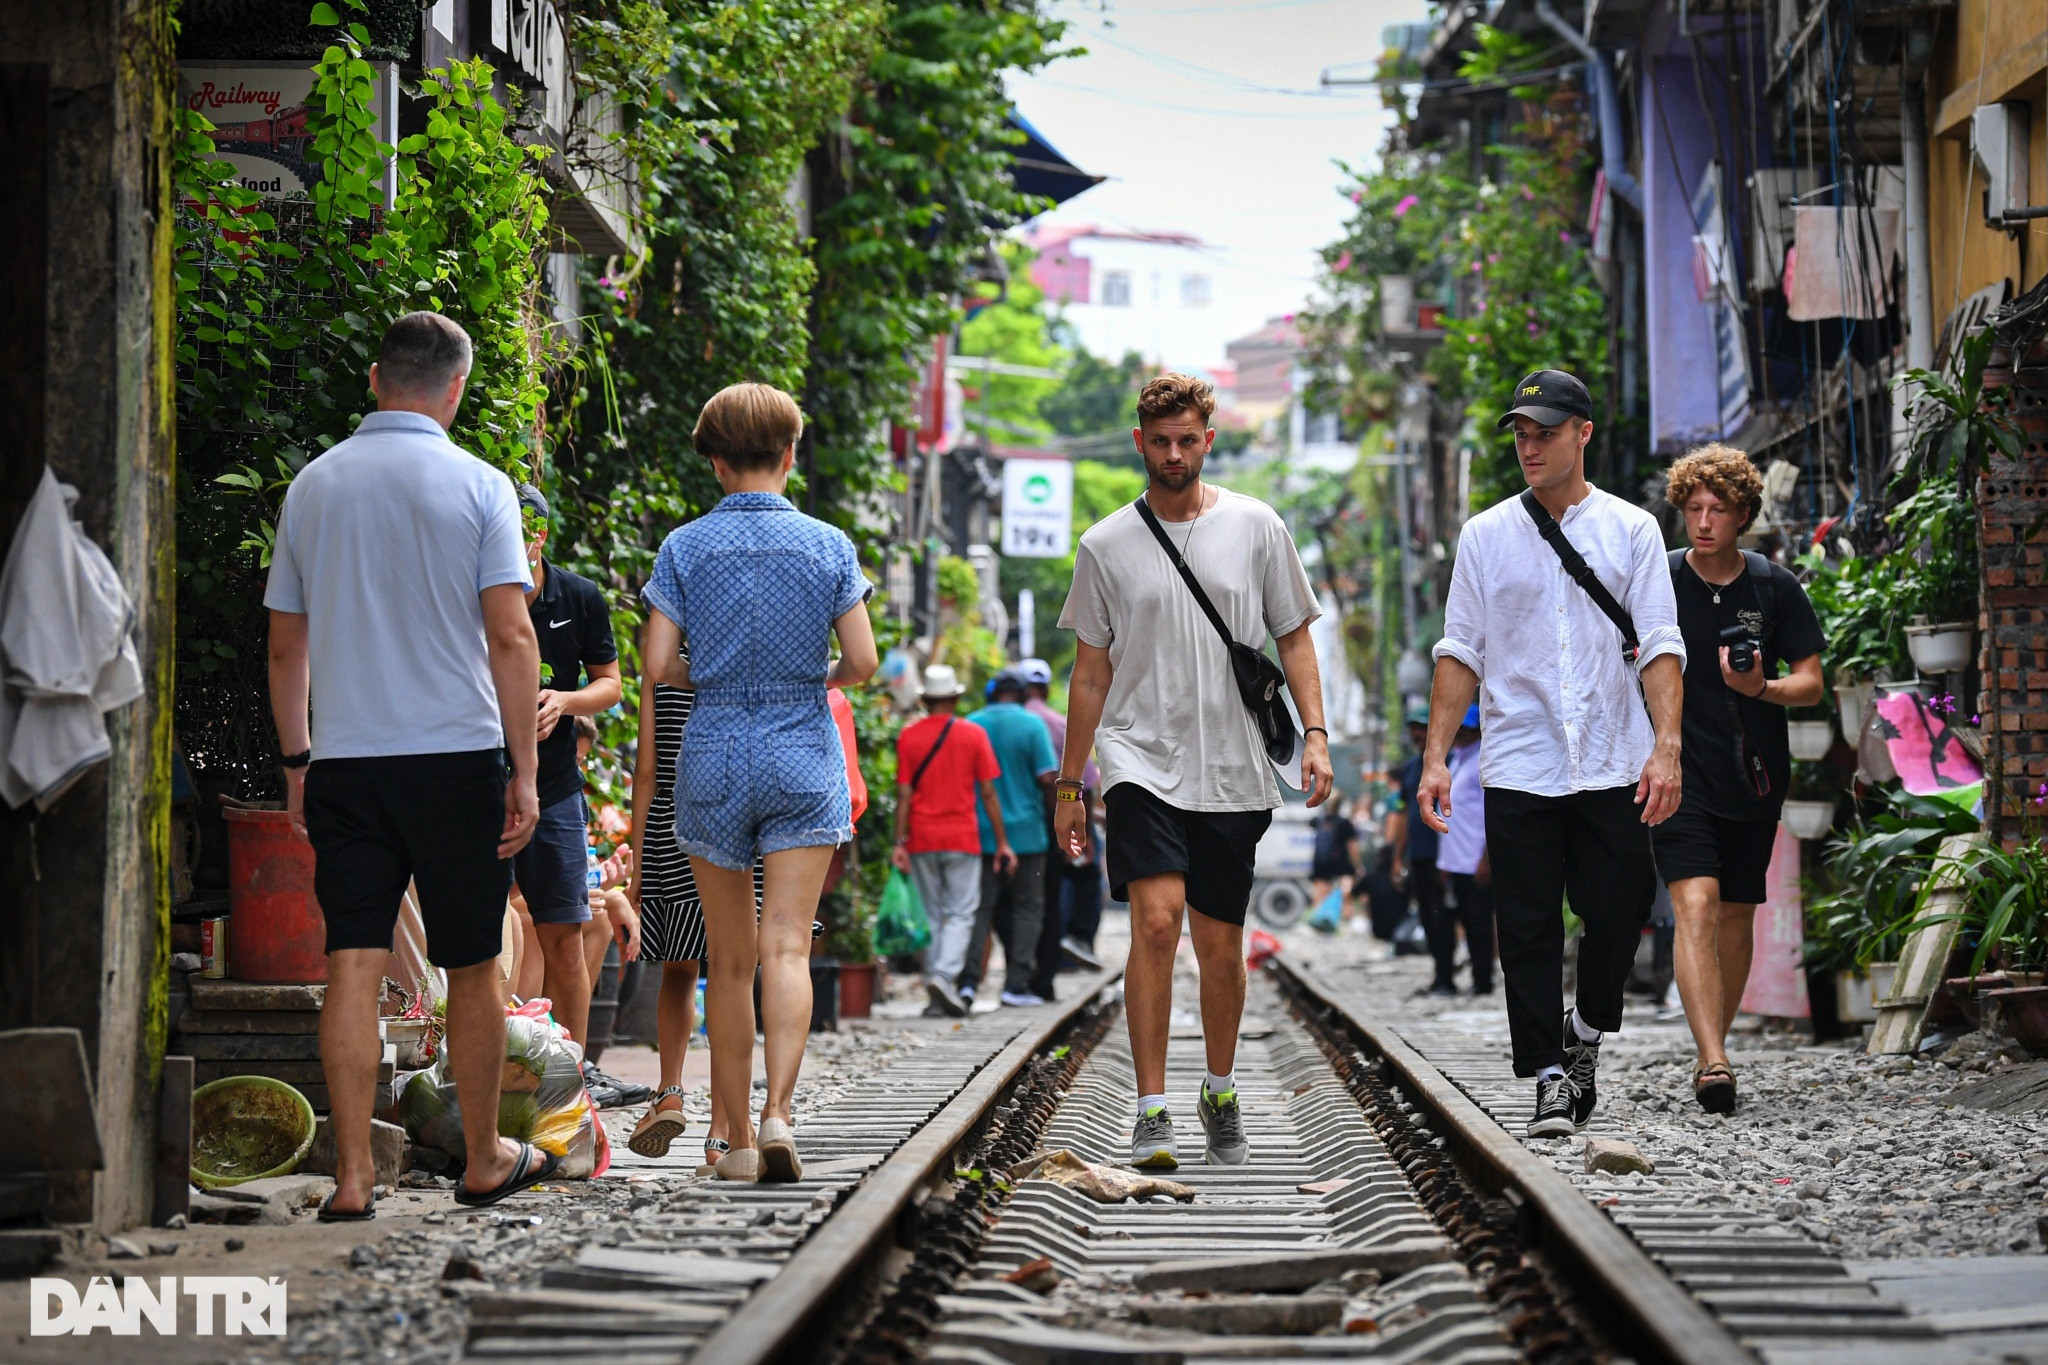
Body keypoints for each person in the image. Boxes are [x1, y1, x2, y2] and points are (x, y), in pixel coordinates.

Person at [266, 311, 559, 1216]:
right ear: (457, 389)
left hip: (349, 760)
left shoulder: (313, 487)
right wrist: (525, 769)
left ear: (373, 377)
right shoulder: (481, 486)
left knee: (351, 962)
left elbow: (284, 647)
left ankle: (353, 1178)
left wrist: (297, 762)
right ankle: (482, 1157)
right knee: (472, 961)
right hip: (457, 758)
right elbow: (511, 633)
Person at [1056, 372, 1332, 1170]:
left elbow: (1295, 637)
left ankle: (1218, 1084)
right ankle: (1150, 1108)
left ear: (1209, 440)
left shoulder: (1256, 526)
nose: (1174, 454)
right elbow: (1089, 674)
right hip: (1140, 758)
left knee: (1220, 943)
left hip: (1235, 764)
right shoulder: (1104, 545)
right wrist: (1073, 783)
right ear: (1138, 441)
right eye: (1160, 441)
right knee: (1155, 920)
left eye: (1188, 440)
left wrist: (1315, 734)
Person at [1414, 368, 1685, 1139]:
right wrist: (1437, 758)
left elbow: (1661, 642)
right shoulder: (1486, 536)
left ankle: (1589, 1028)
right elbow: (1459, 650)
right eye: (1521, 434)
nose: (1529, 446)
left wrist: (1666, 745)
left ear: (1583, 433)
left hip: (1612, 756)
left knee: (1618, 913)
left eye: (1545, 431)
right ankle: (1549, 1076)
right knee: (1527, 925)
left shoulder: (1632, 530)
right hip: (1519, 761)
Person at [640, 382, 879, 1183]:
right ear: (789, 454)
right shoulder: (828, 546)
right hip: (801, 749)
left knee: (727, 962)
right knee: (786, 948)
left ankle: (736, 1140)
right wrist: (816, 678)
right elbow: (865, 661)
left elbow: (654, 665)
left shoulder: (684, 547)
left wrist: (705, 676)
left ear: (713, 462)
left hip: (710, 750)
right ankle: (779, 1110)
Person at [1657, 444, 1823, 1113]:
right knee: (1693, 903)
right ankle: (1713, 1058)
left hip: (1755, 775)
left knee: (1734, 913)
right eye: (1692, 508)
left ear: (1743, 514)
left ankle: (1711, 1047)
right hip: (1676, 771)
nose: (1703, 521)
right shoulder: (1660, 580)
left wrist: (1762, 686)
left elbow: (1811, 683)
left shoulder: (1774, 586)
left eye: (1717, 509)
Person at [508, 483, 622, 1079]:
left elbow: (612, 683)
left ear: (539, 535)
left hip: (554, 789)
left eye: (521, 534)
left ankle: (572, 1077)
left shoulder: (577, 595)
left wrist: (566, 701)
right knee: (481, 937)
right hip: (478, 783)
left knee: (565, 935)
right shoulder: (472, 592)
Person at [892, 664, 1011, 1017]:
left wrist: (899, 841)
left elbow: (903, 793)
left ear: (926, 700)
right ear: (956, 699)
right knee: (961, 912)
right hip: (962, 838)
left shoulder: (909, 736)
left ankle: (934, 989)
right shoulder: (973, 735)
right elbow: (989, 793)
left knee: (930, 912)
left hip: (922, 839)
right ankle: (943, 976)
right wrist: (1002, 841)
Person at [959, 670, 1060, 1008]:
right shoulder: (1033, 725)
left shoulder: (971, 724)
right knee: (1028, 908)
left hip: (981, 833)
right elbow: (1047, 778)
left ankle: (968, 982)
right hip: (1028, 834)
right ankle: (1016, 984)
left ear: (990, 693)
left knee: (979, 909)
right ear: (1020, 695)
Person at [1018, 657, 1104, 978]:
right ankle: (1077, 940)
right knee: (1081, 876)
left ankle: (1030, 967)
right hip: (1062, 812)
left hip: (1020, 824)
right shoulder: (1059, 723)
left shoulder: (1005, 723)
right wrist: (1089, 833)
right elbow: (1089, 779)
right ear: (1045, 687)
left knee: (1034, 894)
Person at [1433, 704, 1495, 995]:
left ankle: (1483, 980)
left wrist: (1486, 858)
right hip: (1457, 860)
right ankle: (1476, 974)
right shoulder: (1458, 759)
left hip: (1475, 860)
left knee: (1479, 923)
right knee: (1466, 921)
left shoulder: (1482, 761)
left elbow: (1489, 814)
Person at [1385, 708, 1446, 982]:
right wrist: (1398, 857)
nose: (1417, 734)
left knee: (1446, 914)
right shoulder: (1410, 768)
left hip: (1446, 853)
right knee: (1428, 912)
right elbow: (1405, 814)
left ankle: (1452, 975)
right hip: (1419, 853)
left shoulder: (1449, 763)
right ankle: (1440, 973)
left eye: (1422, 728)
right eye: (1414, 728)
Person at [1308, 804, 1358, 928]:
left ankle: (1317, 920)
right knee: (1346, 891)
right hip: (1341, 862)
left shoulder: (1318, 820)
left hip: (1321, 861)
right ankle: (1345, 921)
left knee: (1320, 892)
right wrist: (1357, 865)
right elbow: (1352, 846)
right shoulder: (1345, 823)